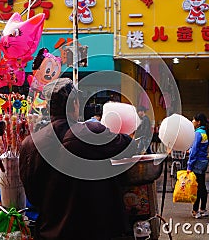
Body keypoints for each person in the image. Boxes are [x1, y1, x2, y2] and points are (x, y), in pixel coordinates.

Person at [19, 78, 135, 240]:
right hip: (97, 230)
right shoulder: (92, 132)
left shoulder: (29, 144)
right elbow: (131, 147)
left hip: (52, 231)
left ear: (48, 107)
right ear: (75, 104)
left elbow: (33, 197)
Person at [187, 113, 209, 219]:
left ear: (198, 122)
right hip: (203, 161)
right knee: (202, 186)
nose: (192, 122)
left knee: (197, 187)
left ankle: (195, 210)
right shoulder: (204, 132)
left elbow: (195, 150)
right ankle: (203, 209)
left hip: (197, 163)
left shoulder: (197, 133)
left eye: (193, 120)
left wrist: (189, 165)